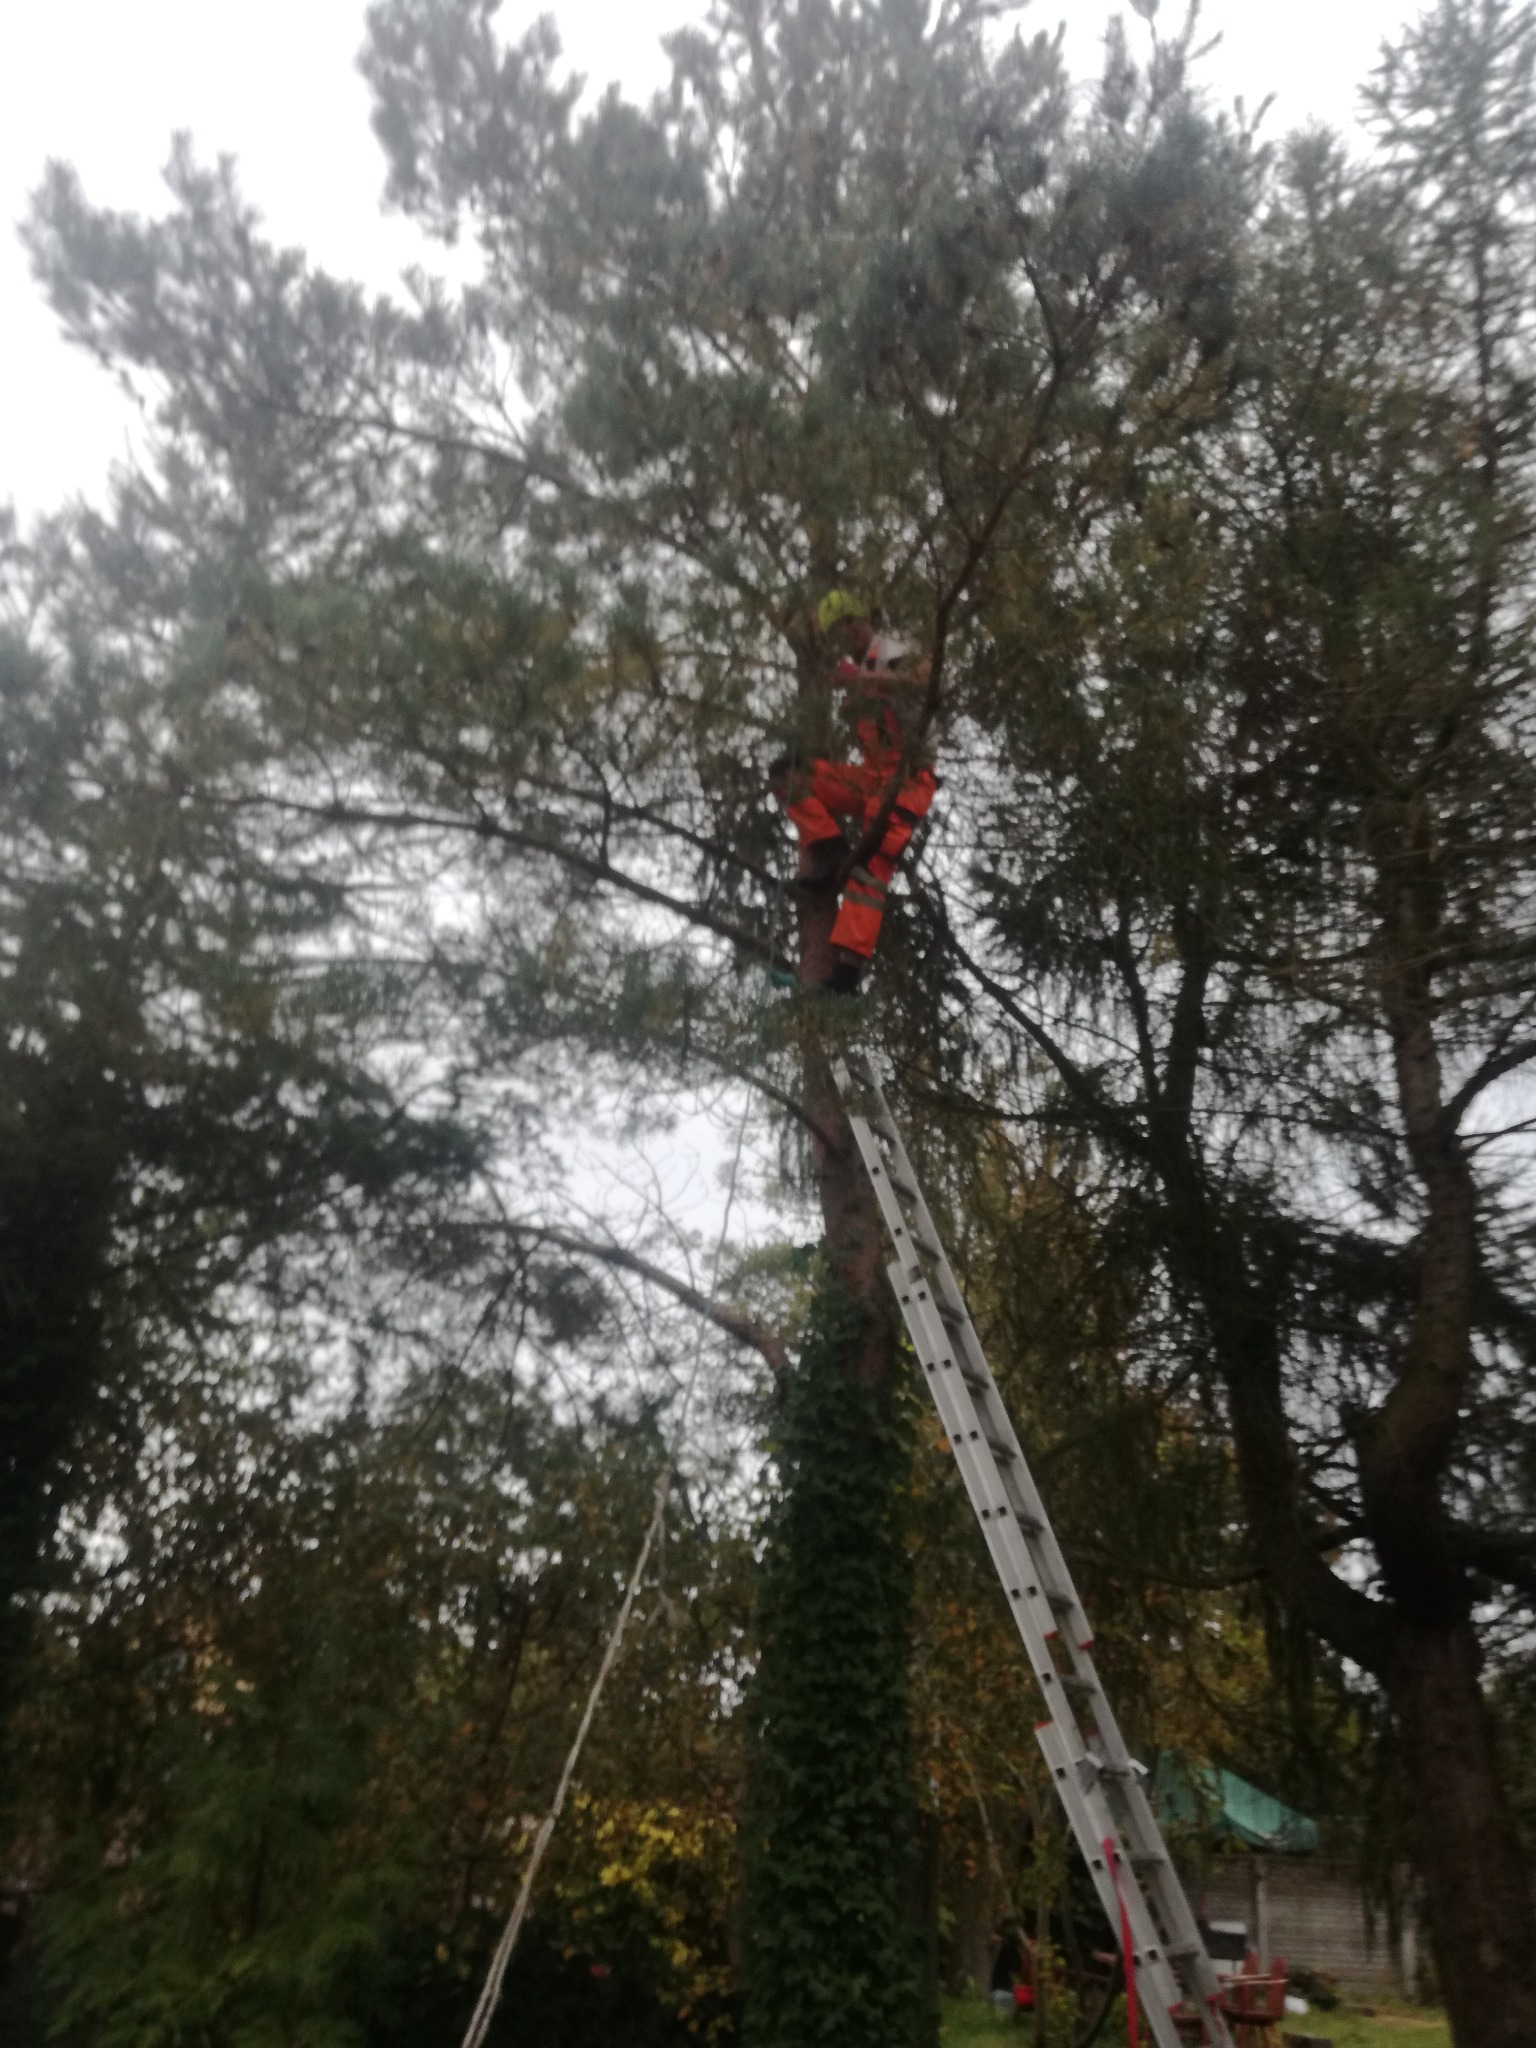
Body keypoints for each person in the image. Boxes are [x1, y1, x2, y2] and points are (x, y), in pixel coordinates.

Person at [771, 591, 939, 995]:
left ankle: (845, 979)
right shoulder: (858, 670)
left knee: (871, 864)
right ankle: (829, 847)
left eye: (848, 627)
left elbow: (925, 681)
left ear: (859, 621)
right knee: (790, 774)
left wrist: (860, 681)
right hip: (871, 775)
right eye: (838, 634)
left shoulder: (893, 650)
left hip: (907, 778)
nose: (846, 637)